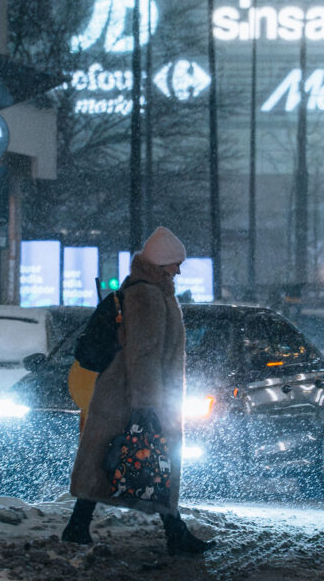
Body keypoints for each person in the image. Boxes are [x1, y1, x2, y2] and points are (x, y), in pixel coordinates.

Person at [62, 226, 214, 556]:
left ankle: (78, 527)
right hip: (135, 397)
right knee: (155, 462)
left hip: (119, 396)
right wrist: (148, 405)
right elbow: (144, 355)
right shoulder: (148, 296)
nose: (178, 269)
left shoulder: (144, 291)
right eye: (175, 263)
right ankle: (175, 533)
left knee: (108, 461)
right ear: (161, 264)